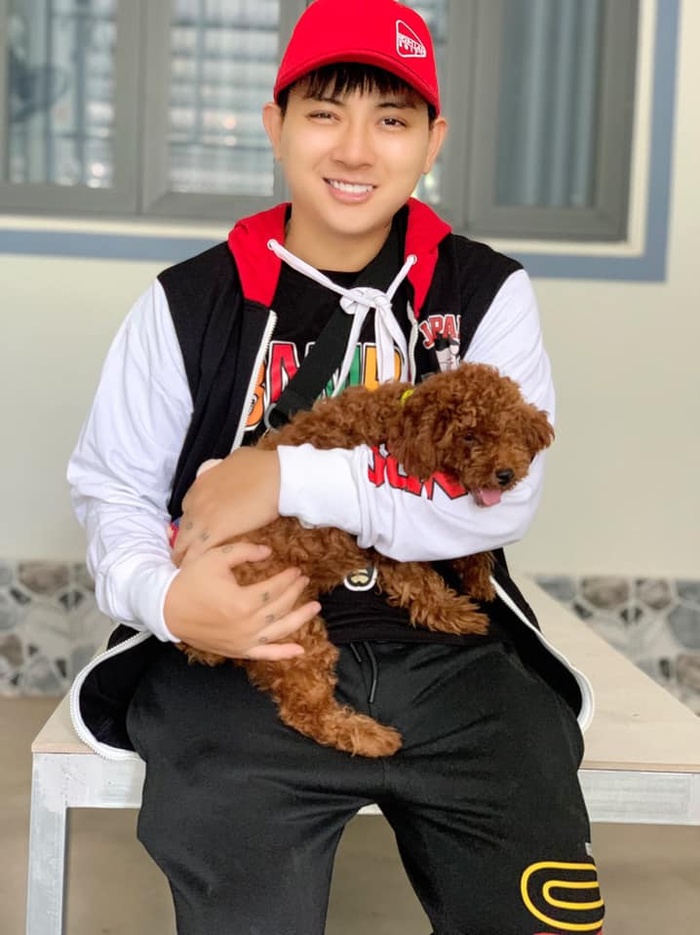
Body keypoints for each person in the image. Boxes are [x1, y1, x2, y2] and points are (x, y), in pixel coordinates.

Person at [67, 1, 604, 932]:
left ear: (433, 140)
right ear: (275, 125)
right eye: (325, 113)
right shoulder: (187, 300)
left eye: (391, 119)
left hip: (450, 651)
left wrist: (286, 479)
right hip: (245, 651)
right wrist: (170, 600)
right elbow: (113, 488)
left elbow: (502, 499)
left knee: (542, 908)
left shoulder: (486, 290)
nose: (355, 149)